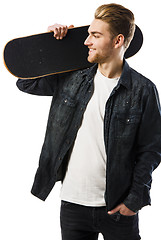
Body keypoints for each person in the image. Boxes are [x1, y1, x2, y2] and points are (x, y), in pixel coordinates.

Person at [16, 3, 161, 240]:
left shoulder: (143, 90)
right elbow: (25, 83)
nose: (86, 41)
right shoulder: (70, 78)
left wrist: (134, 200)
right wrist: (51, 47)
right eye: (88, 34)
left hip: (118, 207)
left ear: (117, 41)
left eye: (95, 35)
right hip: (73, 205)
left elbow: (152, 149)